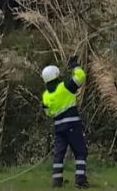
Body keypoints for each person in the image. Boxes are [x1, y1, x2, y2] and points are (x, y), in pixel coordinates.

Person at [42, 55, 89, 188]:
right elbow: (81, 77)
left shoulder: (46, 96)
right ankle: (80, 179)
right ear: (56, 75)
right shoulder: (65, 86)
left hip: (58, 127)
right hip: (72, 125)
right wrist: (75, 65)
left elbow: (48, 113)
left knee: (59, 153)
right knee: (80, 152)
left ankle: (57, 179)